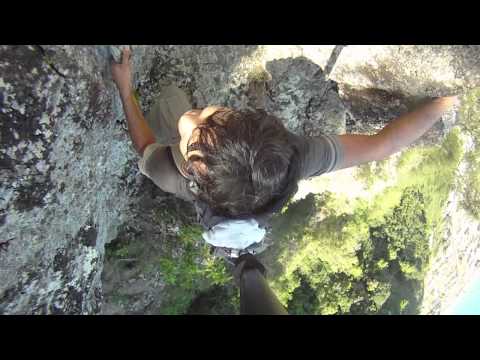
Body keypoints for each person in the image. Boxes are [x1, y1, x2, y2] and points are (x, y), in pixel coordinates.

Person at [111, 48, 460, 255]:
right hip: (244, 187)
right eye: (206, 117)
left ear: (191, 168)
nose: (191, 119)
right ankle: (241, 233)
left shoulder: (172, 175)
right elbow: (384, 144)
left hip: (210, 192)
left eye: (193, 130)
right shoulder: (295, 153)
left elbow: (145, 146)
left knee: (170, 101)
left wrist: (126, 92)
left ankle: (229, 230)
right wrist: (447, 101)